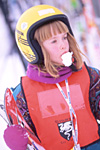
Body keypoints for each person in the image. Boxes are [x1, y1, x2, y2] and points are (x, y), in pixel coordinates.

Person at [3, 4, 100, 150]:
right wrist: (18, 142)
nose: (63, 45)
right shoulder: (22, 95)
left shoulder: (89, 76)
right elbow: (29, 140)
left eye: (64, 37)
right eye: (54, 41)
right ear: (34, 49)